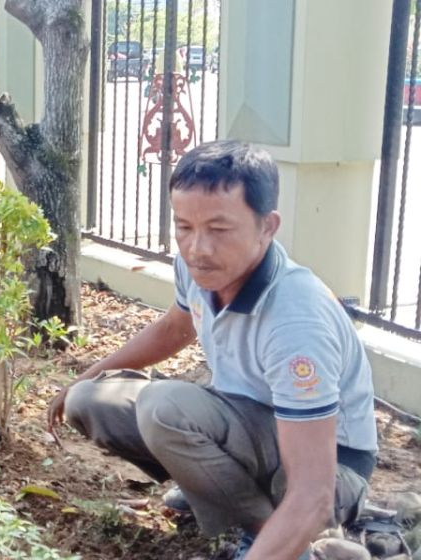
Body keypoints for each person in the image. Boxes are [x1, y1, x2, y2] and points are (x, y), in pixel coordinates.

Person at [47, 141, 377, 560]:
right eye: (184, 226)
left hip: (333, 466)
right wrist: (85, 375)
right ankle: (229, 501)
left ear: (267, 226)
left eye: (219, 230)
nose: (197, 248)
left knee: (164, 409)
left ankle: (274, 539)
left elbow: (312, 490)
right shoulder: (196, 267)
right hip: (246, 420)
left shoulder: (296, 320)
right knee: (91, 399)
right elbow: (174, 328)